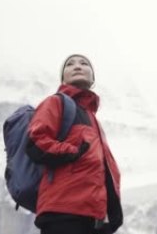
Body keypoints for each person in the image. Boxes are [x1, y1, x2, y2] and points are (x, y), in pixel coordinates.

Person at [26, 54, 123, 234]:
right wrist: (72, 151)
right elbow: (35, 141)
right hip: (63, 213)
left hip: (93, 218)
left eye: (84, 64)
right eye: (70, 65)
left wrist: (114, 214)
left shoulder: (92, 118)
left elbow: (103, 168)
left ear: (92, 78)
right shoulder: (55, 102)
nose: (77, 66)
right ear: (63, 78)